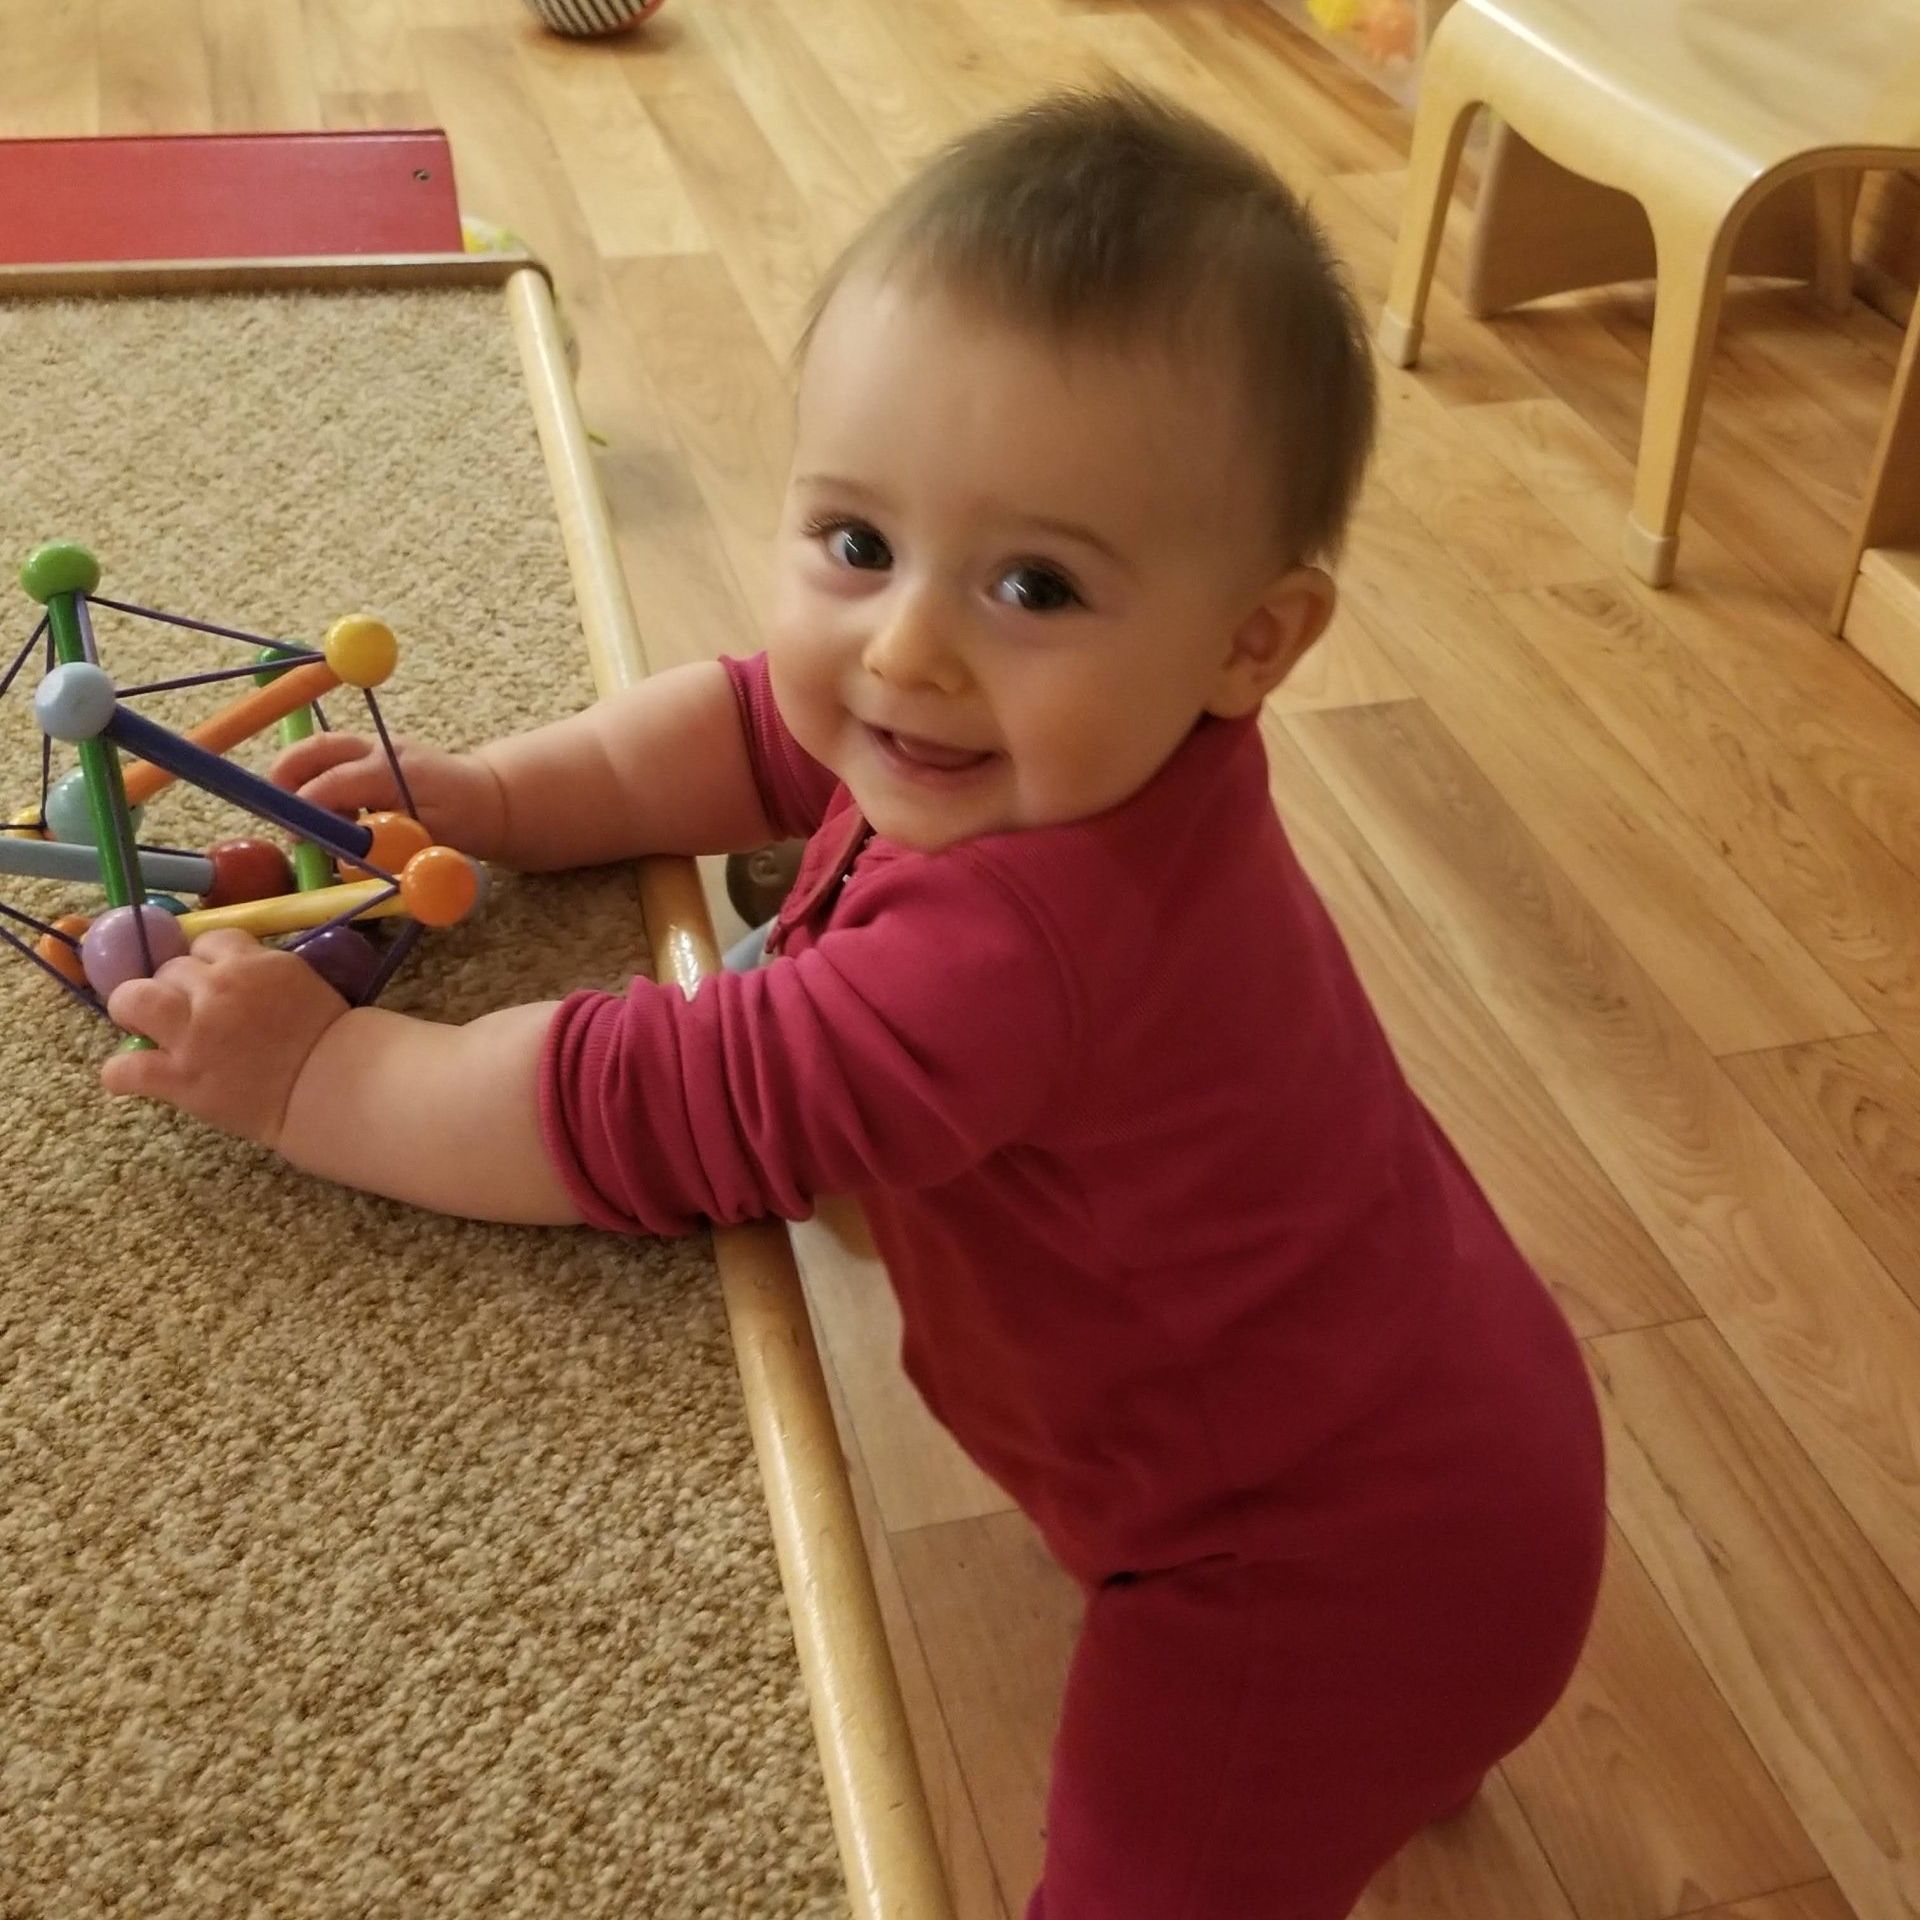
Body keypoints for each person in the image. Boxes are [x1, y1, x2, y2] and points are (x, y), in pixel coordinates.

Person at [103, 86, 1607, 1919]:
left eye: (1034, 582)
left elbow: (645, 1114)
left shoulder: (1011, 958)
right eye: (855, 543)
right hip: (1454, 1398)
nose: (904, 650)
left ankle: (1393, 1745)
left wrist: (311, 1077)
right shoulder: (1072, 743)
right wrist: (494, 795)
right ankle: (1419, 1753)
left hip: (1308, 1565)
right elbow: (753, 723)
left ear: (1253, 642)